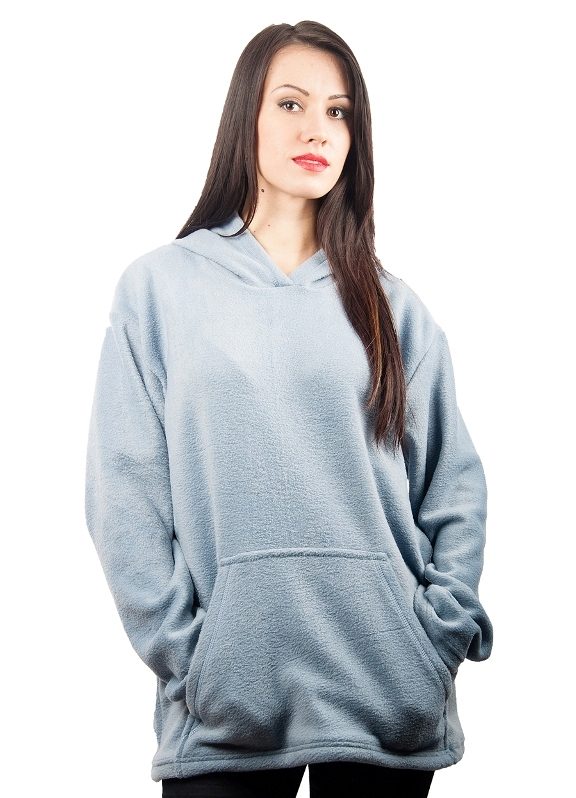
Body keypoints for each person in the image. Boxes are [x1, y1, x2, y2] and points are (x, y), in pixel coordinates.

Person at [84, 19, 493, 798]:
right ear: (246, 115)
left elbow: (454, 485)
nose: (318, 130)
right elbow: (123, 494)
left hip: (387, 697)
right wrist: (189, 659)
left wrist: (435, 640)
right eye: (292, 103)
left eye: (339, 112)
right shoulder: (160, 290)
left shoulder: (394, 307)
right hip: (223, 712)